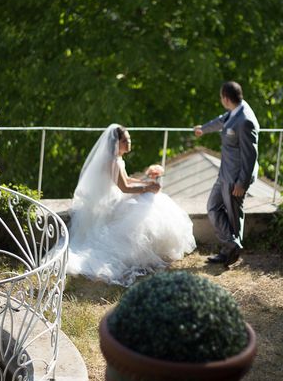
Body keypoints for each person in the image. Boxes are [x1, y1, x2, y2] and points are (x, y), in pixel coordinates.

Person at [67, 124, 196, 286]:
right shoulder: (112, 161)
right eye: (125, 140)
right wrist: (148, 187)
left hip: (119, 196)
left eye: (129, 139)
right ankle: (146, 251)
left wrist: (146, 181)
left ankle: (156, 248)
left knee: (150, 198)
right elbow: (124, 188)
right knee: (148, 200)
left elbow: (127, 180)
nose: (129, 143)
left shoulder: (117, 159)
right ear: (116, 143)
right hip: (111, 203)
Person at [194, 81, 259, 267]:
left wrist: (242, 183)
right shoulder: (235, 110)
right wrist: (203, 129)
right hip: (224, 174)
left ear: (225, 98)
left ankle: (229, 252)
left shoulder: (245, 120)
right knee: (213, 207)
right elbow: (221, 120)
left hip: (236, 178)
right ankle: (232, 245)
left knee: (233, 215)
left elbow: (250, 156)